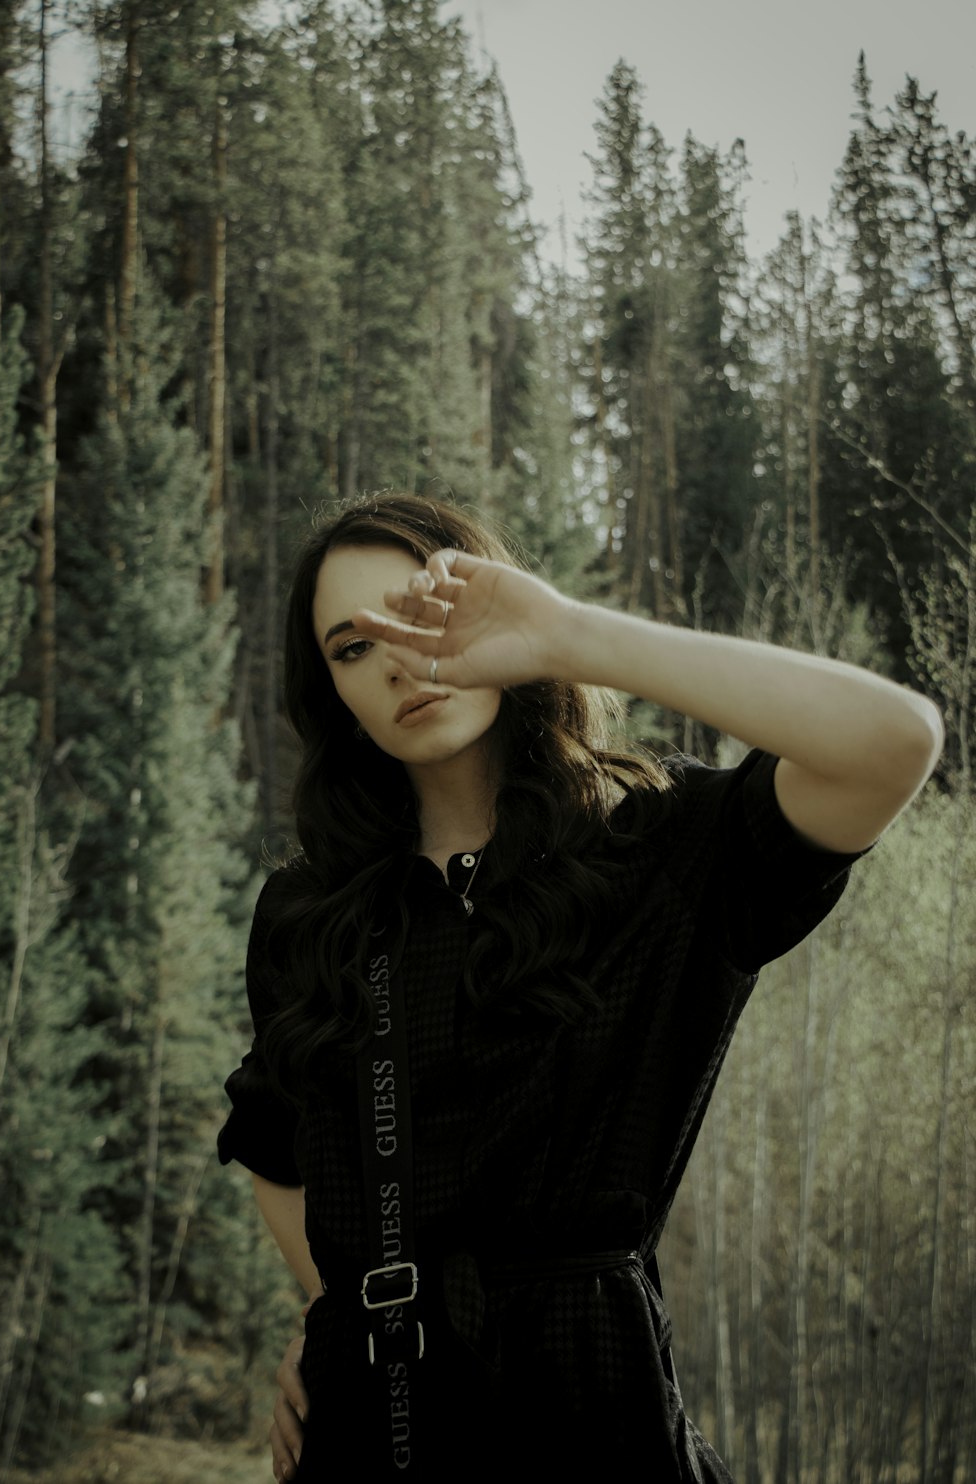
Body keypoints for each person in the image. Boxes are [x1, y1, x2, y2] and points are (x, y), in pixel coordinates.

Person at [218, 492, 942, 1482]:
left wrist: (566, 634)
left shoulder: (657, 852)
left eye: (422, 613)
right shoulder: (308, 914)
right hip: (370, 1425)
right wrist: (346, 1307)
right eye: (351, 647)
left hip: (592, 1409)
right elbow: (270, 1143)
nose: (395, 657)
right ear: (332, 694)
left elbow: (894, 741)